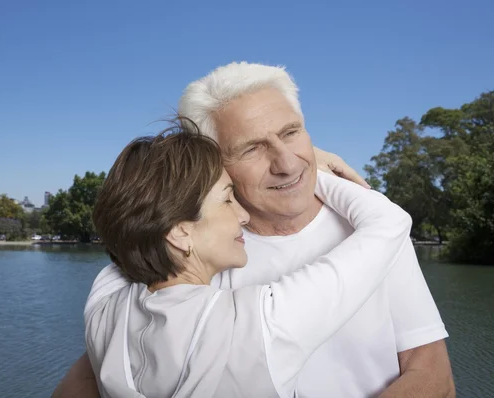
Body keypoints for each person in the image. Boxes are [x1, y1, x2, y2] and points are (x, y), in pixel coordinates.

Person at [52, 62, 454, 397]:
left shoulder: (369, 234)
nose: (286, 162)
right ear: (214, 165)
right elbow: (86, 380)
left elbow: (433, 378)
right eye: (252, 148)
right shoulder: (194, 258)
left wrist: (312, 167)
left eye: (292, 132)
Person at [86, 123, 411, 397]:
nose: (242, 214)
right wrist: (306, 169)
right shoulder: (264, 323)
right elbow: (390, 222)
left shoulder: (103, 310)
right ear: (180, 232)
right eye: (228, 199)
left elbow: (125, 234)